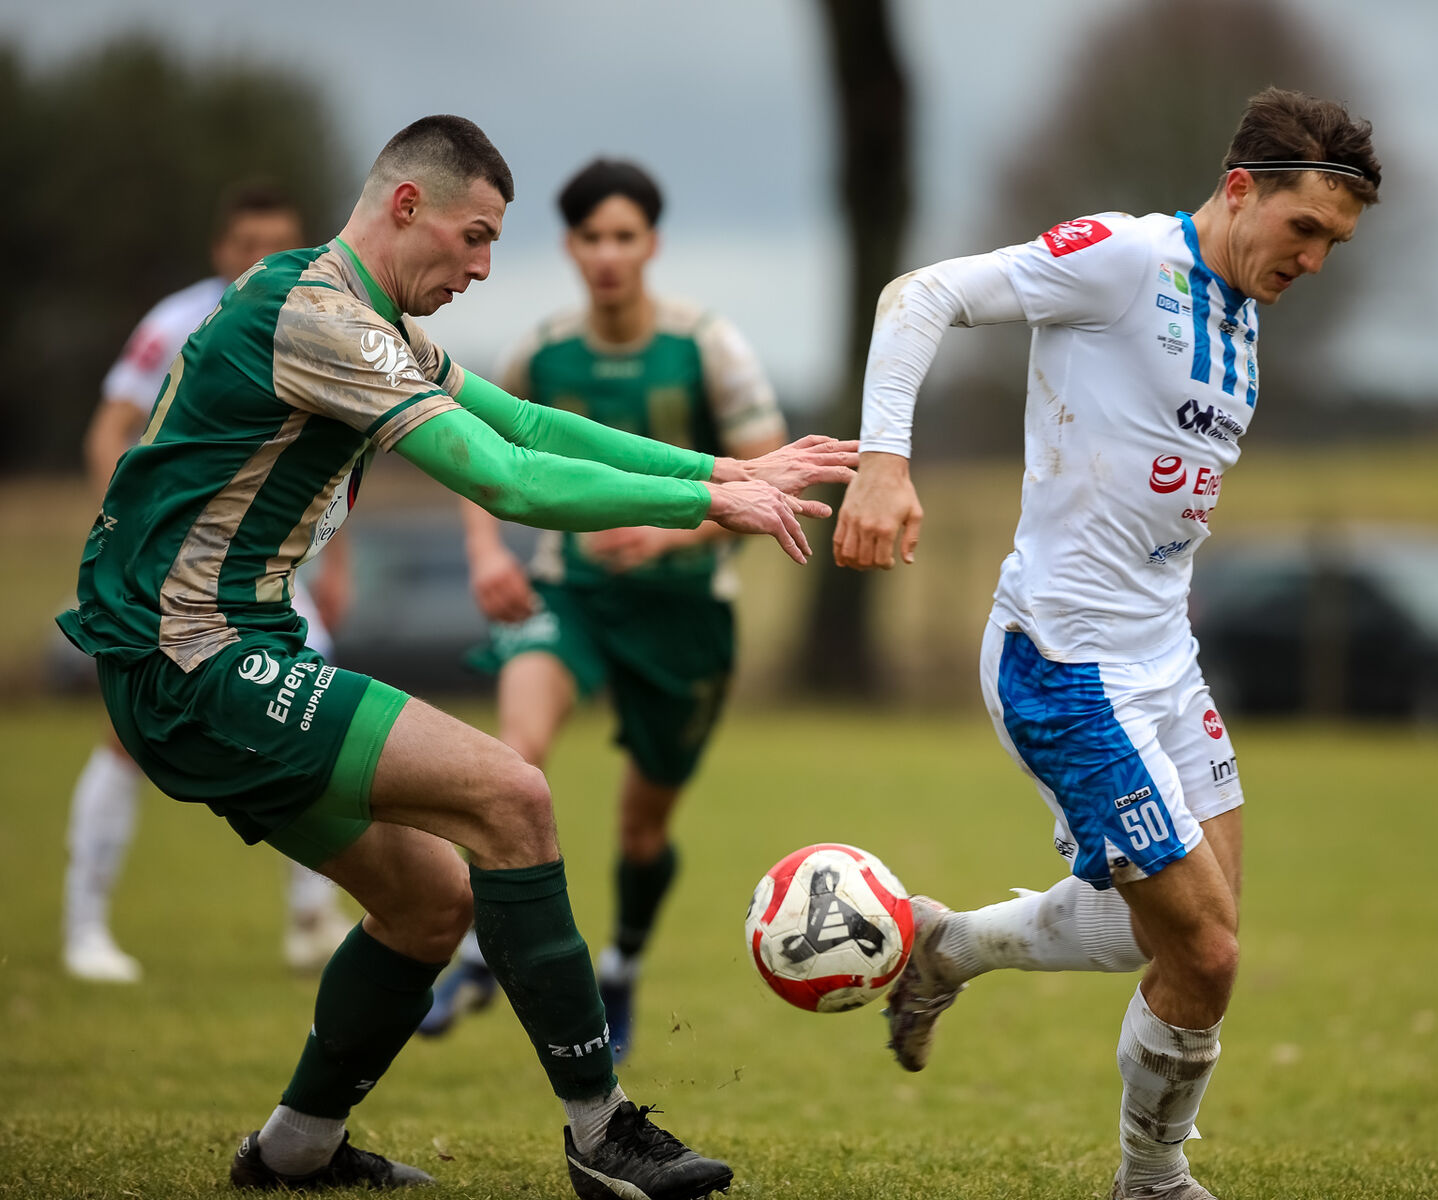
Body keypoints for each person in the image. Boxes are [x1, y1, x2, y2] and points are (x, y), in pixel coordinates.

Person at [56, 114, 855, 1198]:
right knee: (512, 797)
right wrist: (709, 500)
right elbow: (507, 484)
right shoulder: (322, 319)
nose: (484, 267)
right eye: (474, 237)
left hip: (225, 649)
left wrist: (724, 463)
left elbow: (526, 425)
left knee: (433, 904)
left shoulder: (348, 307)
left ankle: (295, 1151)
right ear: (405, 207)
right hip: (196, 660)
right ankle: (601, 1131)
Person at [834, 88, 1380, 1200]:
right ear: (1241, 190)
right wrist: (882, 462)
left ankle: (943, 948)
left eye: (1335, 241)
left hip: (1164, 666)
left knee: (1166, 937)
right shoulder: (1125, 261)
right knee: (1208, 955)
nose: (1315, 259)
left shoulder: (1242, 312)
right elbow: (918, 293)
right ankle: (1151, 1179)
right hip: (1064, 665)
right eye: (1305, 230)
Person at [421, 160, 787, 1061]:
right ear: (571, 247)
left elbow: (767, 469)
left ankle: (620, 963)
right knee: (514, 761)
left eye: (626, 236)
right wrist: (482, 552)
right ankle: (475, 950)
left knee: (641, 826)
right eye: (592, 237)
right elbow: (474, 445)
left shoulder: (707, 346)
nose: (609, 254)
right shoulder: (541, 350)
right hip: (568, 594)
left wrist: (670, 536)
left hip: (684, 616)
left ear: (651, 245)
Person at [64, 181, 356, 982]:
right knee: (126, 739)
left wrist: (340, 566)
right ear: (221, 250)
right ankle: (83, 924)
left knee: (318, 719)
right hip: (172, 582)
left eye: (281, 243)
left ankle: (309, 915)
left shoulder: (319, 319)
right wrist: (121, 542)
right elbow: (109, 432)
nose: (264, 260)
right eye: (248, 245)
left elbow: (333, 459)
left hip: (277, 581)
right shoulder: (175, 323)